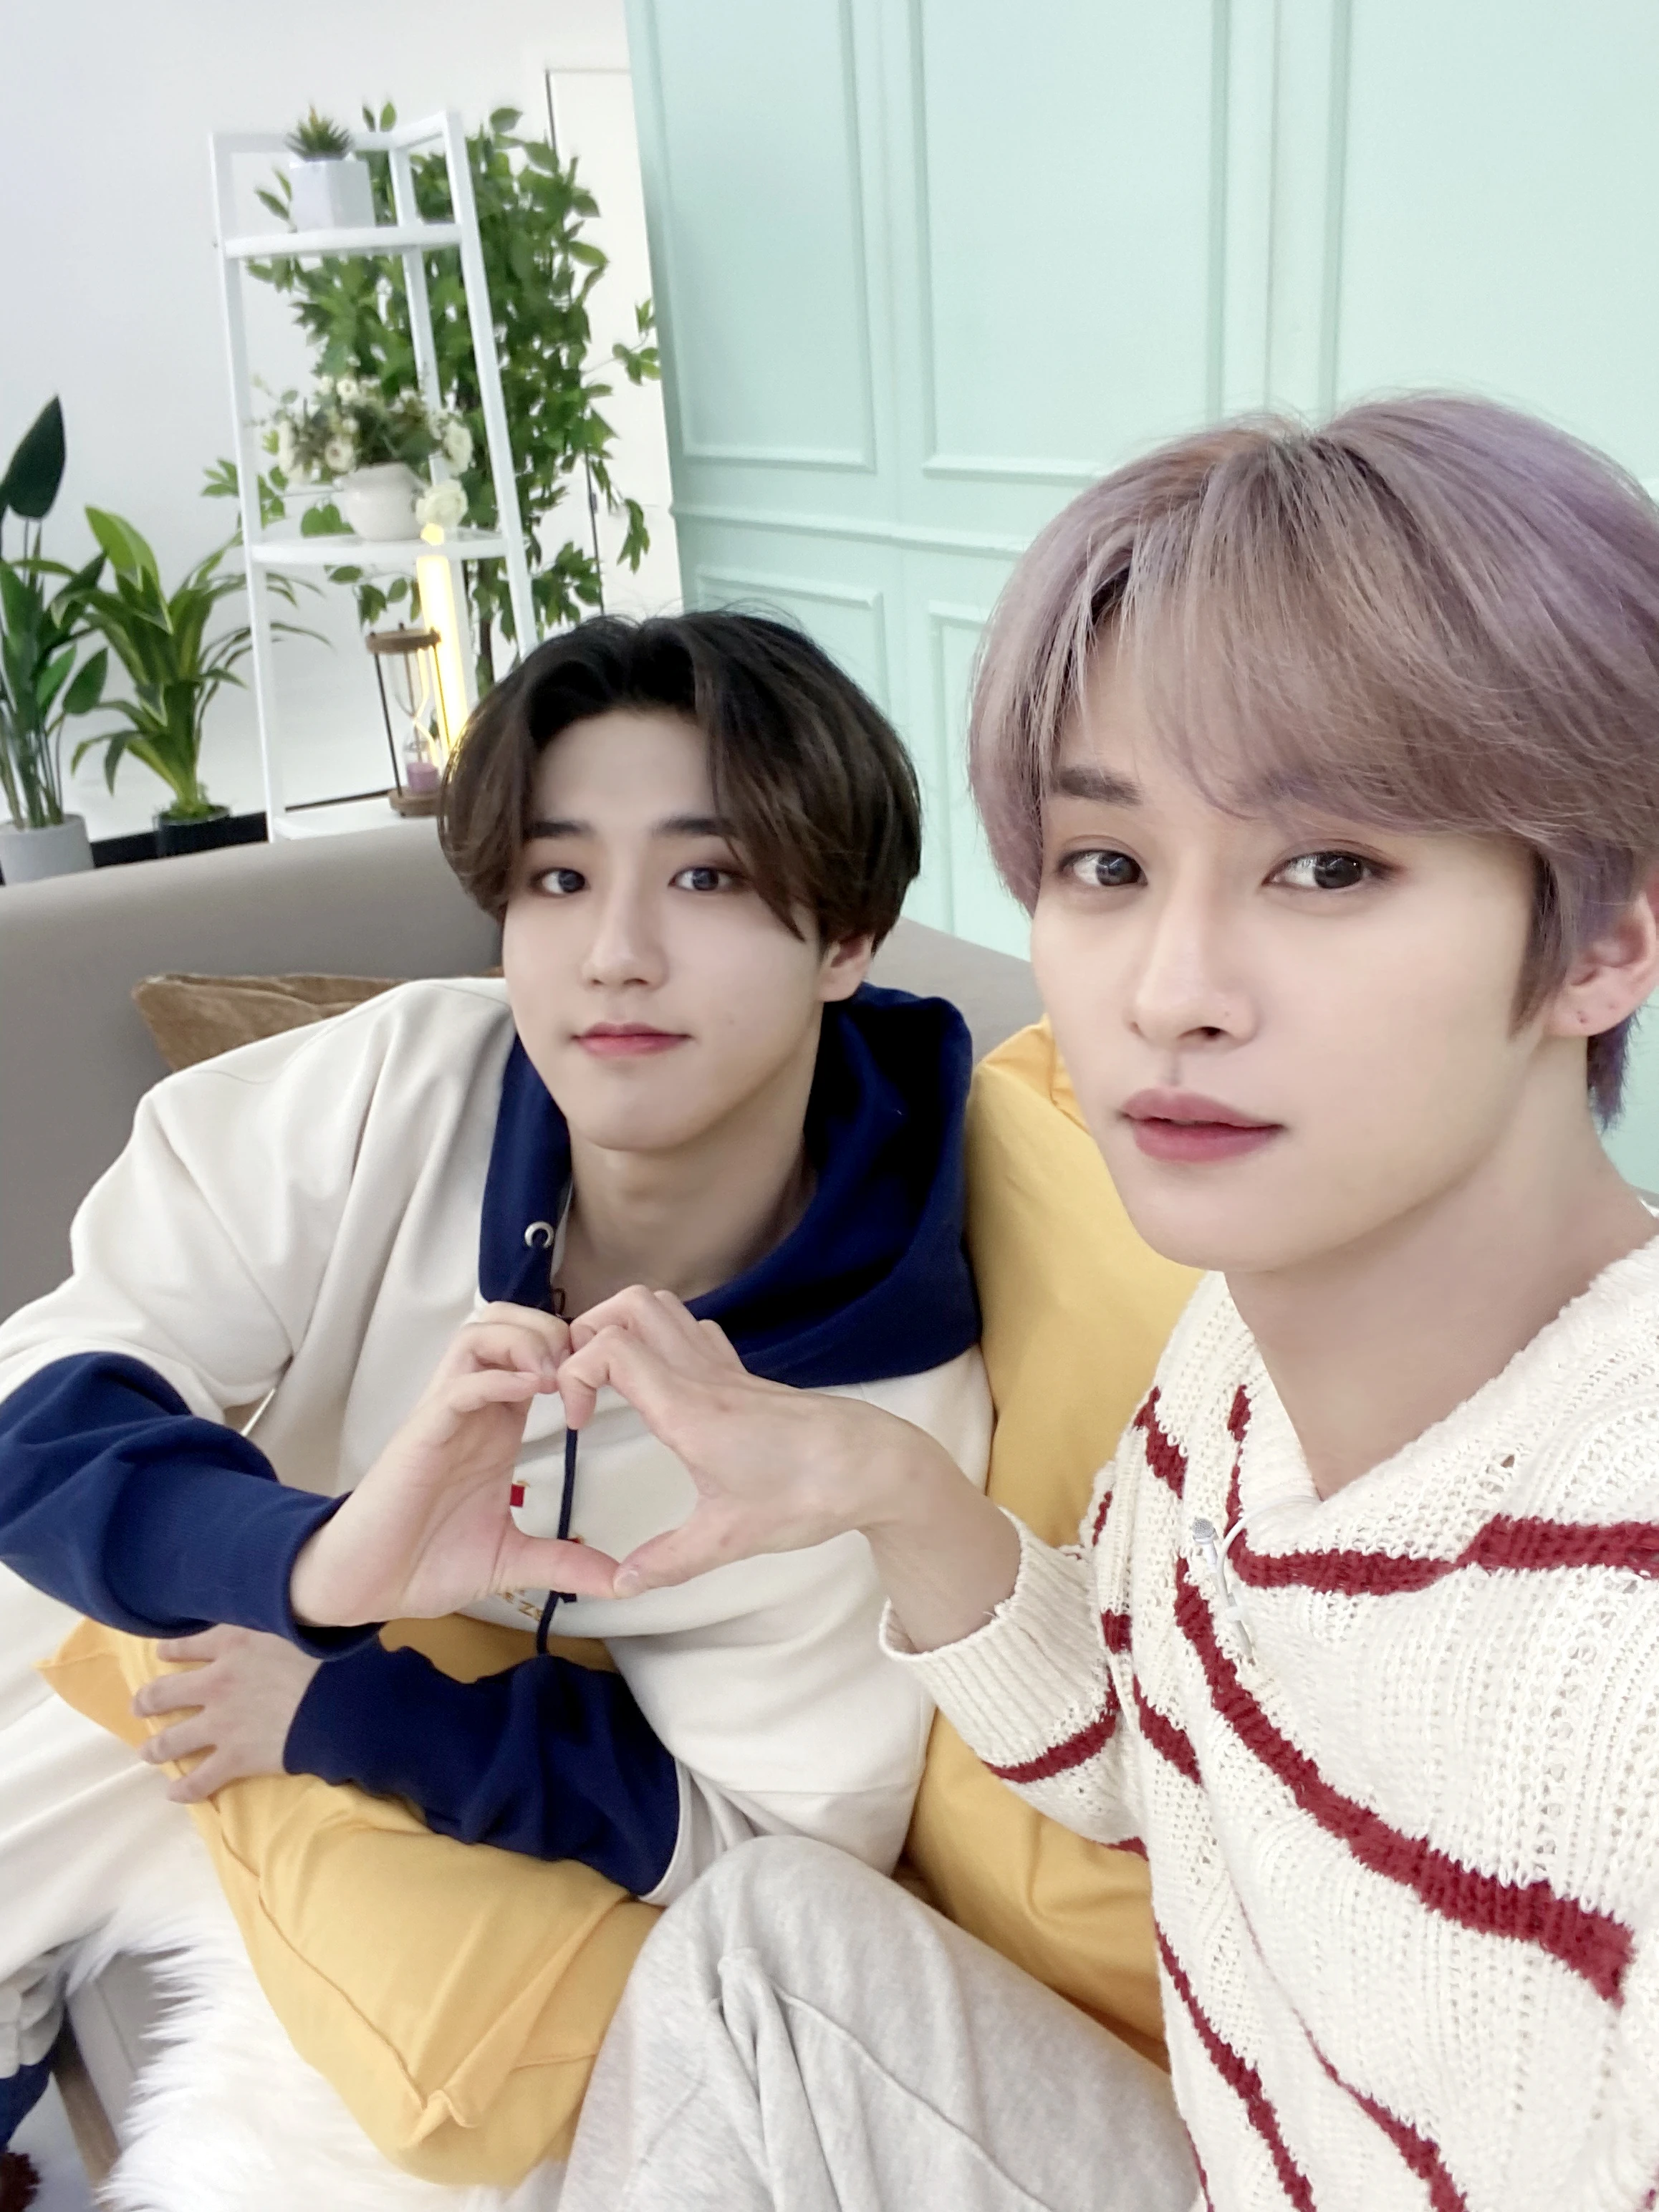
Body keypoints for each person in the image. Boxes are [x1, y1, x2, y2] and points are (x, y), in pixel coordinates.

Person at [204, 395, 1659, 2211]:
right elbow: (1139, 1758)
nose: (1173, 990)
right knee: (756, 1940)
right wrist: (876, 1485)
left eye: (1330, 864)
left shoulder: (1618, 1622)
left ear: (1603, 937)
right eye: (1110, 865)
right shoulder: (1233, 1364)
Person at [0, 611, 991, 2154]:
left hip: (449, 1781)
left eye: (708, 877)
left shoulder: (884, 1393)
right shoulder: (393, 1081)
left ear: (849, 939)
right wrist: (316, 1566)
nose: (615, 953)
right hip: (223, 1602)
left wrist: (364, 1709)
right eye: (557, 878)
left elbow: (774, 1835)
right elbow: (46, 1397)